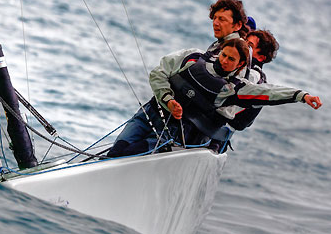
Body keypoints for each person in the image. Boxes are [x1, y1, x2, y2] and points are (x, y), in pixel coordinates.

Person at [107, 39, 322, 157]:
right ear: (220, 52)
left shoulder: (233, 89)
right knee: (115, 151)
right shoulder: (193, 58)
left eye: (232, 59)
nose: (226, 60)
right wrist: (168, 99)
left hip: (168, 133)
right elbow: (158, 73)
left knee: (124, 155)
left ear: (239, 65)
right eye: (224, 55)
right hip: (149, 114)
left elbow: (269, 93)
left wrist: (301, 96)